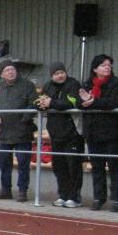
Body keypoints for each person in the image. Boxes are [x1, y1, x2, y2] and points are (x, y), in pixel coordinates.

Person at [79, 54, 118, 212]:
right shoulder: (87, 83)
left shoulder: (116, 83)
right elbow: (79, 102)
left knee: (115, 165)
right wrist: (84, 102)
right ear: (95, 68)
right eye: (103, 65)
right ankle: (99, 197)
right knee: (97, 166)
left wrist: (93, 102)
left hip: (111, 130)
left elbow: (114, 102)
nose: (107, 67)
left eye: (109, 65)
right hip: (93, 131)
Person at [0, 60, 38, 201]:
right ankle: (5, 190)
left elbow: (34, 104)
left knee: (23, 163)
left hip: (23, 131)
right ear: (2, 74)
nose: (10, 72)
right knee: (4, 163)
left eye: (12, 69)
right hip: (5, 131)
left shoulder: (28, 85)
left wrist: (24, 119)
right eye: (7, 70)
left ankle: (22, 191)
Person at [37, 62, 84, 208]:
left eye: (62, 72)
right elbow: (39, 101)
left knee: (73, 165)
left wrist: (51, 103)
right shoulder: (47, 86)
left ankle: (74, 197)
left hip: (72, 133)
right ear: (51, 75)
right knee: (59, 166)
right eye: (56, 73)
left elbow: (72, 103)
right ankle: (63, 195)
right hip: (55, 133)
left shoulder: (73, 84)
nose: (60, 75)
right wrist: (40, 105)